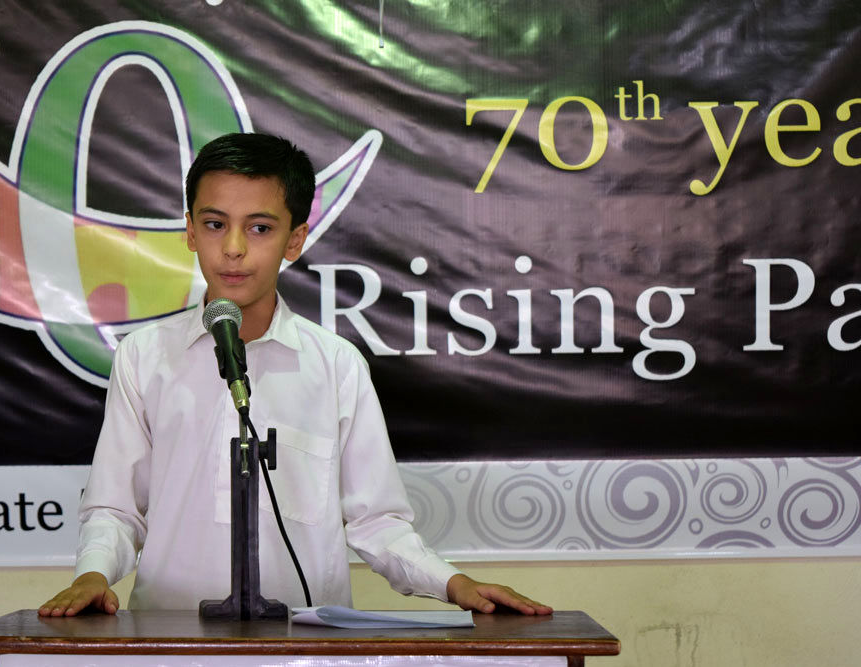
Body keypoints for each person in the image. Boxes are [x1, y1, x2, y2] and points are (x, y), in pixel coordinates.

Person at [38, 133, 552, 617]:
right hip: (169, 643)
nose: (233, 247)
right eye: (215, 224)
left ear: (295, 239)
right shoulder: (144, 357)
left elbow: (377, 521)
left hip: (305, 647)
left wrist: (454, 584)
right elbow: (115, 509)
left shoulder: (336, 366)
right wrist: (92, 575)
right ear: (190, 231)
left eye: (259, 228)